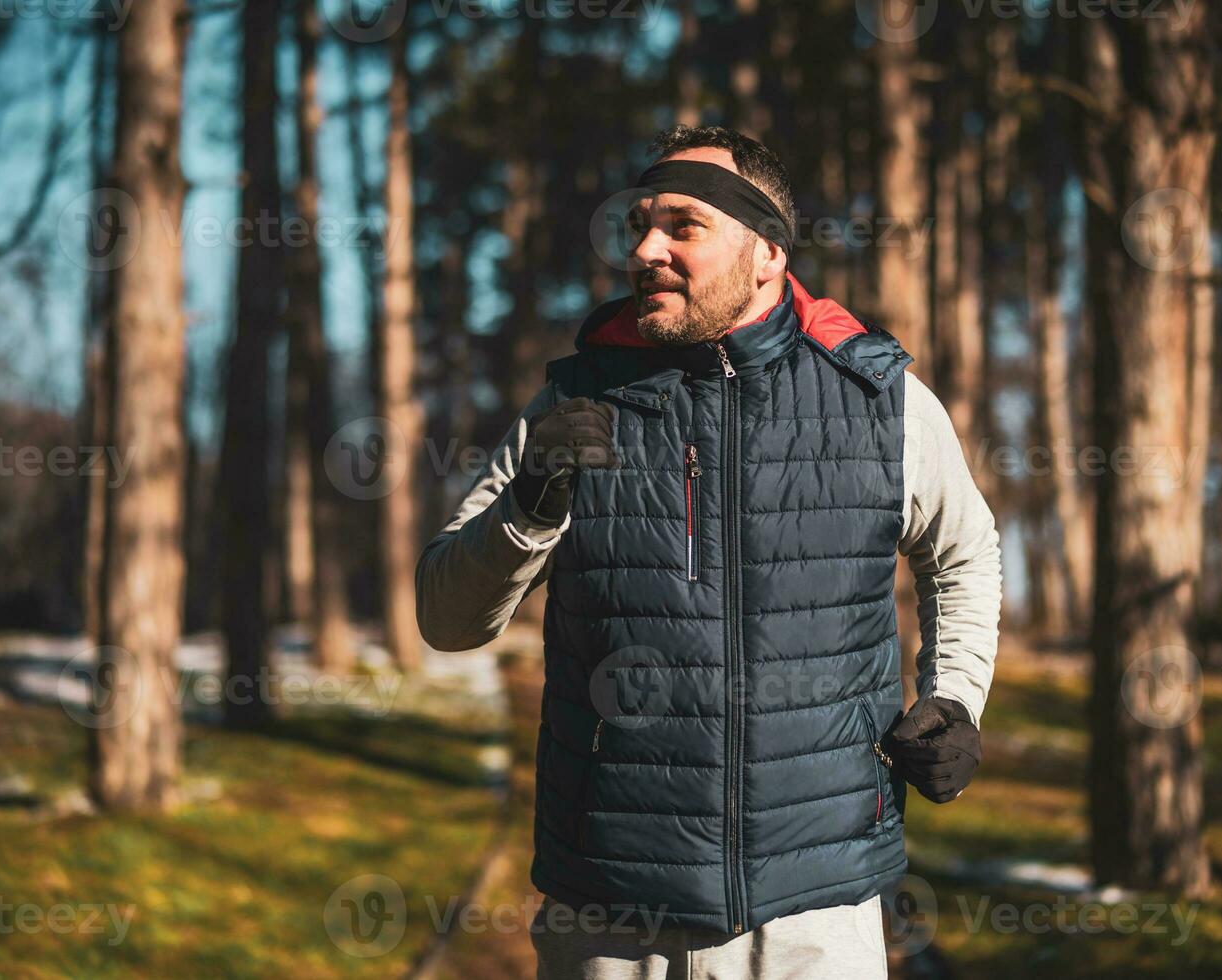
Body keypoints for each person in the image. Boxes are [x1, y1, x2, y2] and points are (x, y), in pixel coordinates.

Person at [416, 124, 1001, 979]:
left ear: (766, 251)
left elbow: (965, 552)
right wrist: (529, 506)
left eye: (682, 225)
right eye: (637, 227)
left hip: (816, 913)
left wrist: (956, 696)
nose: (645, 248)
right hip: (611, 915)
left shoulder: (881, 401)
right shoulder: (572, 405)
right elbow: (446, 618)